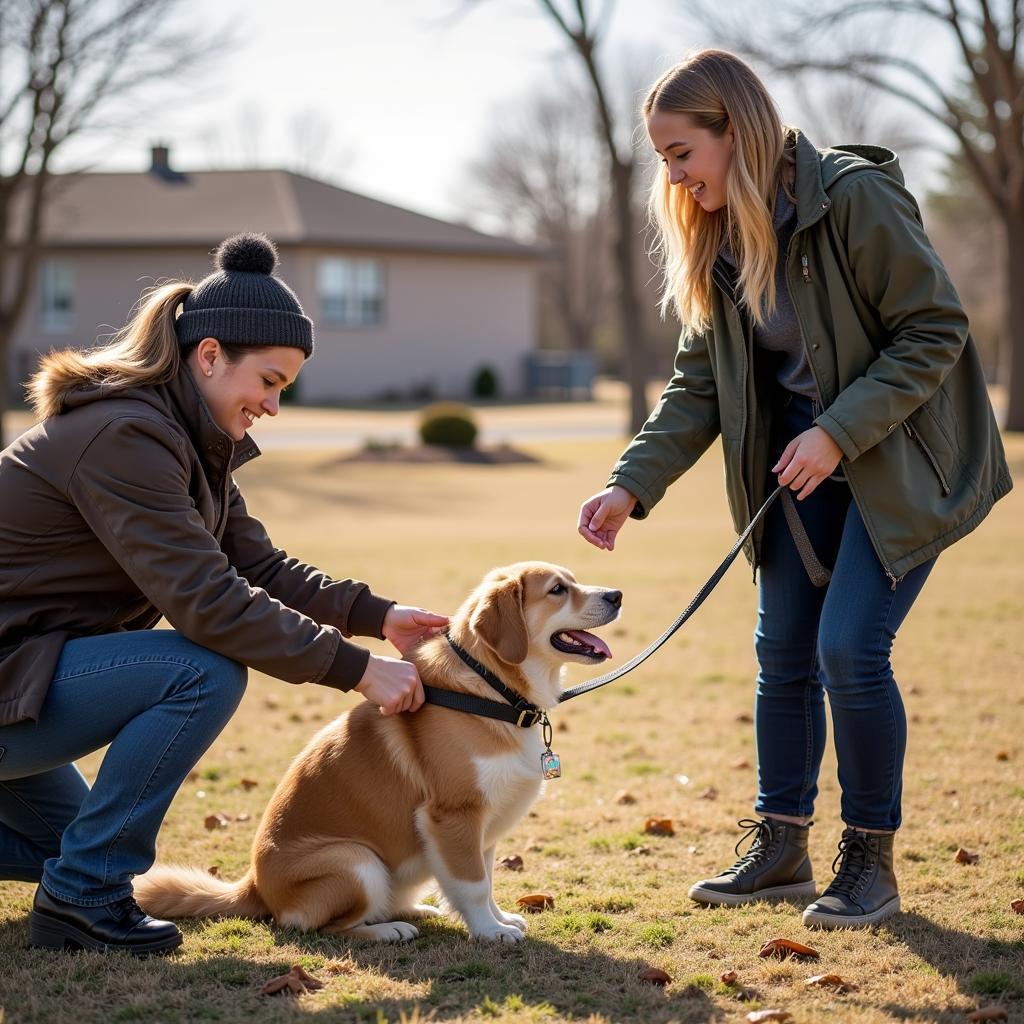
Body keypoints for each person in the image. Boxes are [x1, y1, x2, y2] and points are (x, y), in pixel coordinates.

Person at [578, 50, 1011, 930]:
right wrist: (630, 486)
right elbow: (698, 384)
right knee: (781, 657)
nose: (672, 174)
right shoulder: (720, 235)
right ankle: (781, 845)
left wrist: (838, 429)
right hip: (800, 473)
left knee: (849, 651)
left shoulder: (852, 196)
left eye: (680, 152)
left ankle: (871, 863)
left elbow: (934, 330)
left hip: (898, 462)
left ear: (733, 131)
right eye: (663, 157)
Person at [0, 233, 448, 955]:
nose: (272, 405)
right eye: (268, 382)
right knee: (200, 668)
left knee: (72, 844)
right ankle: (81, 905)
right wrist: (356, 670)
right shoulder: (124, 436)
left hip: (24, 674)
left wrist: (376, 617)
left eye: (282, 389)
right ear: (208, 356)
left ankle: (79, 883)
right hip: (13, 678)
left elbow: (259, 566)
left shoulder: (183, 439)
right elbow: (207, 601)